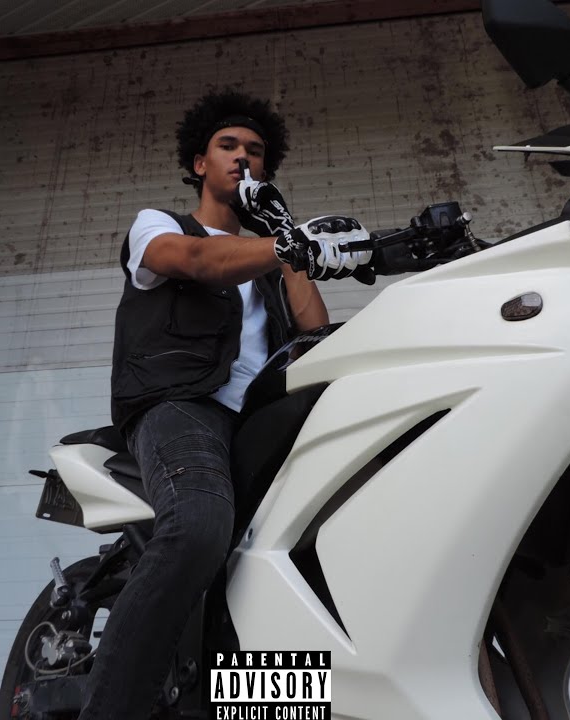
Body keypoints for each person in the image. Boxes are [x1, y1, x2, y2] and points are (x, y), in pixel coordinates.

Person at [79, 89, 372, 719]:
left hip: (261, 424)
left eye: (256, 152)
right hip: (181, 405)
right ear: (199, 163)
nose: (243, 157)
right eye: (228, 146)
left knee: (301, 562)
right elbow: (195, 261)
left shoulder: (269, 257)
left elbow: (316, 332)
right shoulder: (160, 225)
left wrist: (288, 242)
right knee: (198, 525)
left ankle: (246, 703)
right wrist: (288, 245)